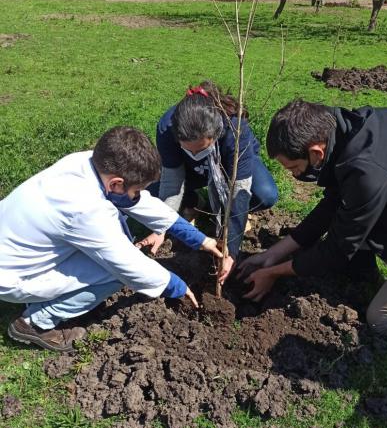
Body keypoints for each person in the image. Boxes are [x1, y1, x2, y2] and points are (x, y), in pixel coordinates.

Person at [239, 100, 387, 339]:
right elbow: (334, 204)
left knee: (383, 318)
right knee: (355, 217)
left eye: (294, 167)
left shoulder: (366, 169)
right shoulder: (348, 130)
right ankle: (365, 270)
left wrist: (274, 273)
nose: (295, 175)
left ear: (316, 152)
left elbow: (338, 248)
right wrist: (274, 254)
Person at [0, 126, 222, 352]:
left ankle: (54, 300)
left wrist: (199, 239)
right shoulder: (85, 210)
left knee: (114, 242)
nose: (137, 195)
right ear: (116, 183)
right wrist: (176, 286)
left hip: (16, 248)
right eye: (136, 190)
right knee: (114, 272)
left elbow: (141, 203)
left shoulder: (88, 163)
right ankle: (37, 322)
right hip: (13, 275)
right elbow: (127, 264)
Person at [148, 81, 279, 283]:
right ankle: (197, 204)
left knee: (265, 194)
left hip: (229, 167)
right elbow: (172, 182)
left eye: (201, 149)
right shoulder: (167, 128)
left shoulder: (235, 129)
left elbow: (240, 189)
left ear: (216, 133)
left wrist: (232, 250)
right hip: (192, 172)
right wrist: (161, 227)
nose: (194, 153)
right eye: (188, 149)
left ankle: (229, 214)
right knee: (152, 190)